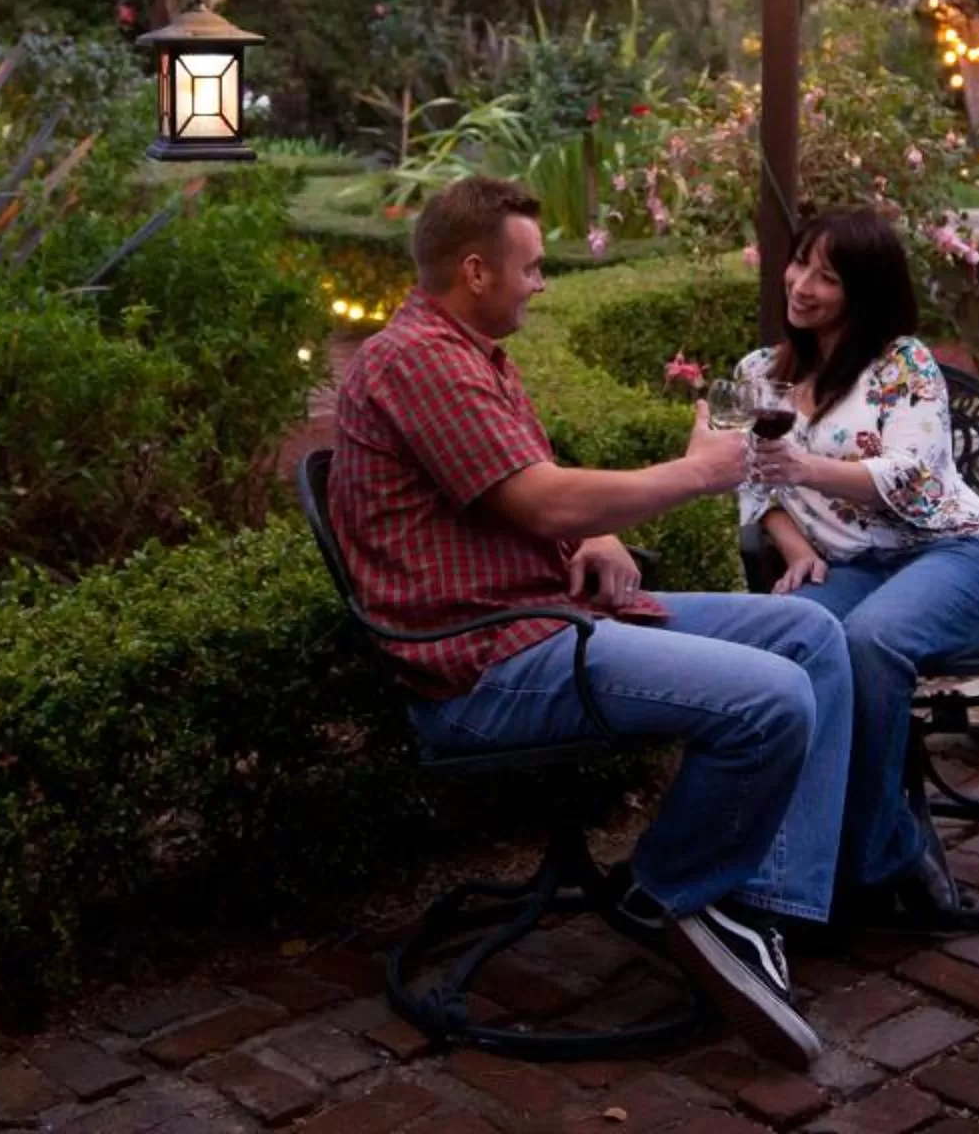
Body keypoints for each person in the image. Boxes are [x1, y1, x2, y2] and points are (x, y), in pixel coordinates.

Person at [329, 175, 846, 1069]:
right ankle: (671, 894)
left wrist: (594, 528)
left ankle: (749, 908)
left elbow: (520, 484)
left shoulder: (469, 353)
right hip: (487, 665)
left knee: (811, 636)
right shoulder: (420, 361)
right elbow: (537, 497)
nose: (542, 283)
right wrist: (697, 473)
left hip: (542, 617)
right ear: (476, 268)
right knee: (776, 700)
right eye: (531, 268)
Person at [737, 205, 979, 922]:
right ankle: (782, 864)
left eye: (827, 277)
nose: (801, 284)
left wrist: (803, 465)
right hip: (848, 567)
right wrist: (794, 545)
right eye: (801, 262)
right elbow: (752, 481)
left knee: (870, 643)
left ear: (864, 290)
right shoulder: (758, 374)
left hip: (952, 553)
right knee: (783, 644)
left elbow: (910, 475)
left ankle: (876, 856)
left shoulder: (904, 365)